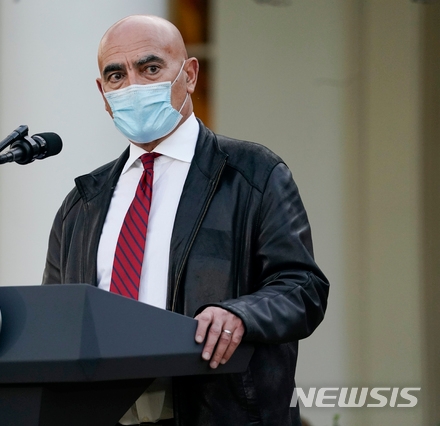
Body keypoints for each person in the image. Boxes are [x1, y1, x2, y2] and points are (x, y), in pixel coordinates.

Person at [42, 14, 329, 426]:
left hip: (215, 411)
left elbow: (303, 288)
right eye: (117, 75)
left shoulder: (253, 174)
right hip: (102, 413)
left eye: (150, 68)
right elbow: (56, 317)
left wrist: (241, 315)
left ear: (190, 75)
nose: (134, 86)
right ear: (103, 94)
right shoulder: (81, 205)